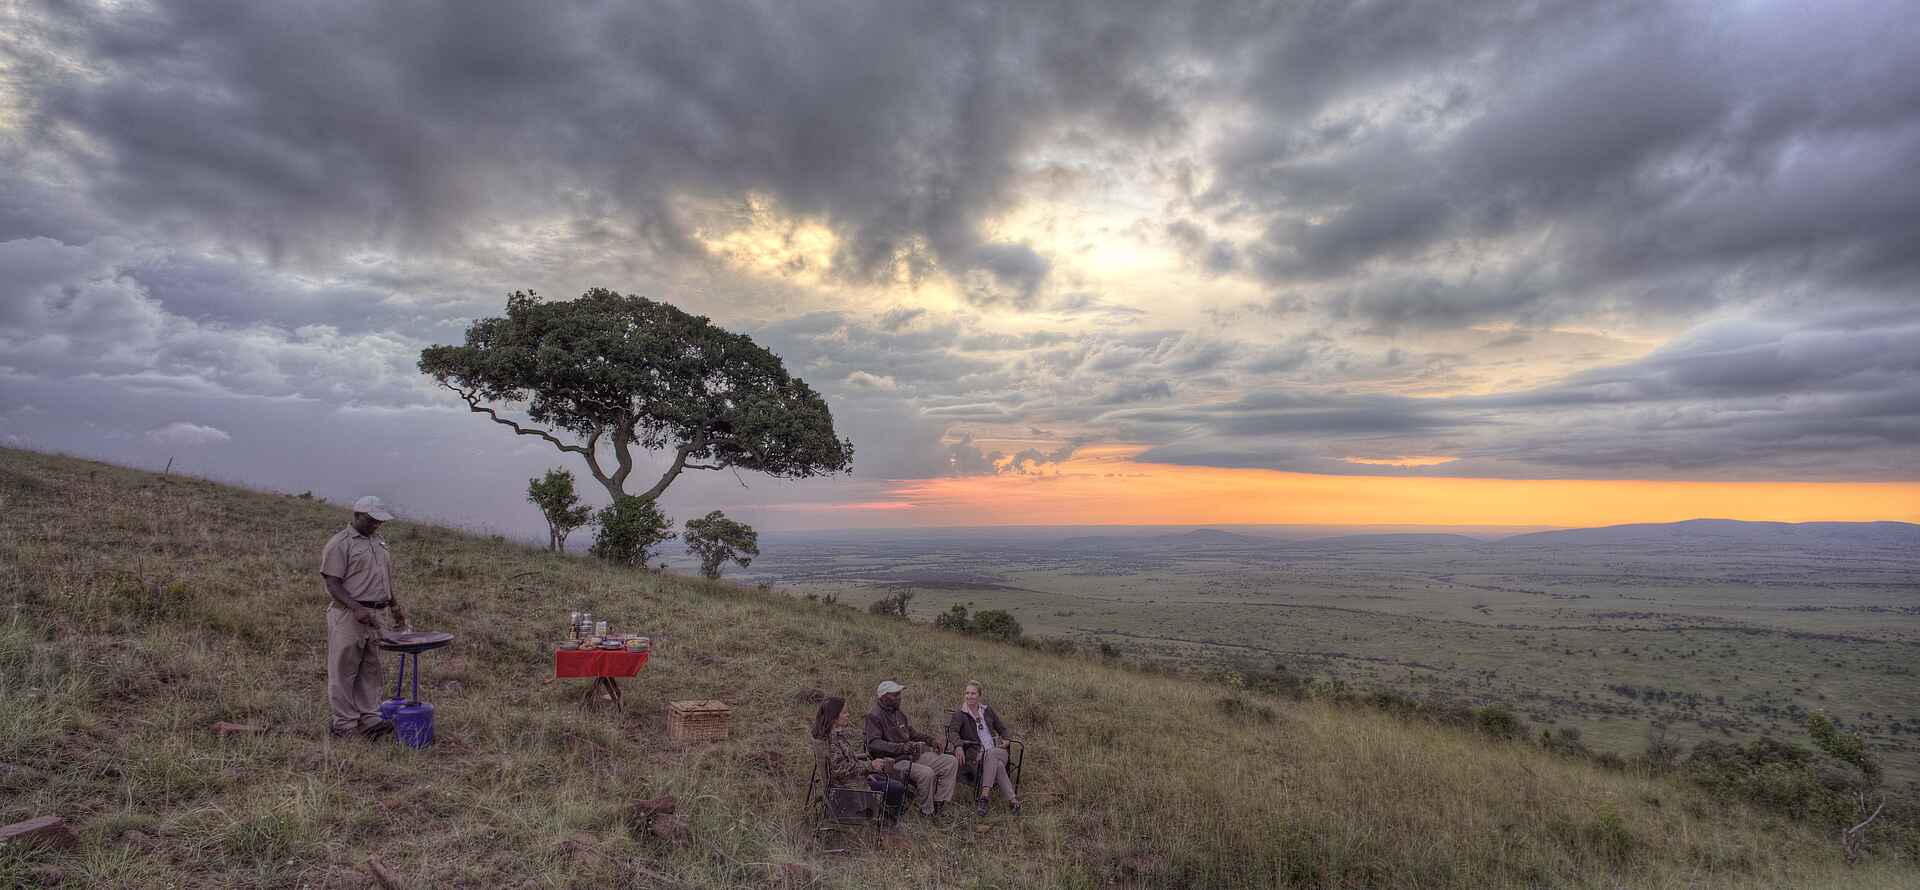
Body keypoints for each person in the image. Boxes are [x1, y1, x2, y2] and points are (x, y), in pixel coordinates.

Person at [320, 496, 411, 738]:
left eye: (380, 521)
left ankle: (369, 719)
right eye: (371, 520)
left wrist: (394, 605)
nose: (376, 524)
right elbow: (332, 582)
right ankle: (345, 725)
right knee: (344, 669)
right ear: (357, 515)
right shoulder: (340, 543)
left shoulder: (379, 542)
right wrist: (356, 607)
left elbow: (384, 578)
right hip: (349, 614)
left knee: (372, 668)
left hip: (377, 614)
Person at [863, 679, 959, 817]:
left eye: (899, 694)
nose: (899, 697)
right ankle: (926, 812)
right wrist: (900, 747)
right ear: (884, 697)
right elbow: (874, 743)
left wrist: (931, 740)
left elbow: (912, 734)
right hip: (893, 762)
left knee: (950, 761)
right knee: (927, 773)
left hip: (911, 757)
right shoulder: (874, 716)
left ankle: (939, 803)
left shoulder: (898, 713)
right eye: (895, 695)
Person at [811, 696, 906, 825]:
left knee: (884, 780)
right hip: (848, 789)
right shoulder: (831, 741)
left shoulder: (829, 736)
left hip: (852, 780)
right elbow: (840, 769)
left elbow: (844, 761)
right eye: (844, 712)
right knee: (897, 787)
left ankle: (883, 813)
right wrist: (870, 766)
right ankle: (888, 822)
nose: (848, 715)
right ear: (834, 717)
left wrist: (866, 771)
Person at [945, 680, 1020, 816]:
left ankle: (984, 797)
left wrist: (1006, 739)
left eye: (973, 693)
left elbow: (1002, 728)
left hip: (998, 751)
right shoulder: (960, 714)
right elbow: (952, 732)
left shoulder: (987, 710)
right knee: (997, 765)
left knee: (992, 754)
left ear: (979, 695)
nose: (969, 696)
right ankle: (1013, 801)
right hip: (978, 755)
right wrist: (958, 745)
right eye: (967, 693)